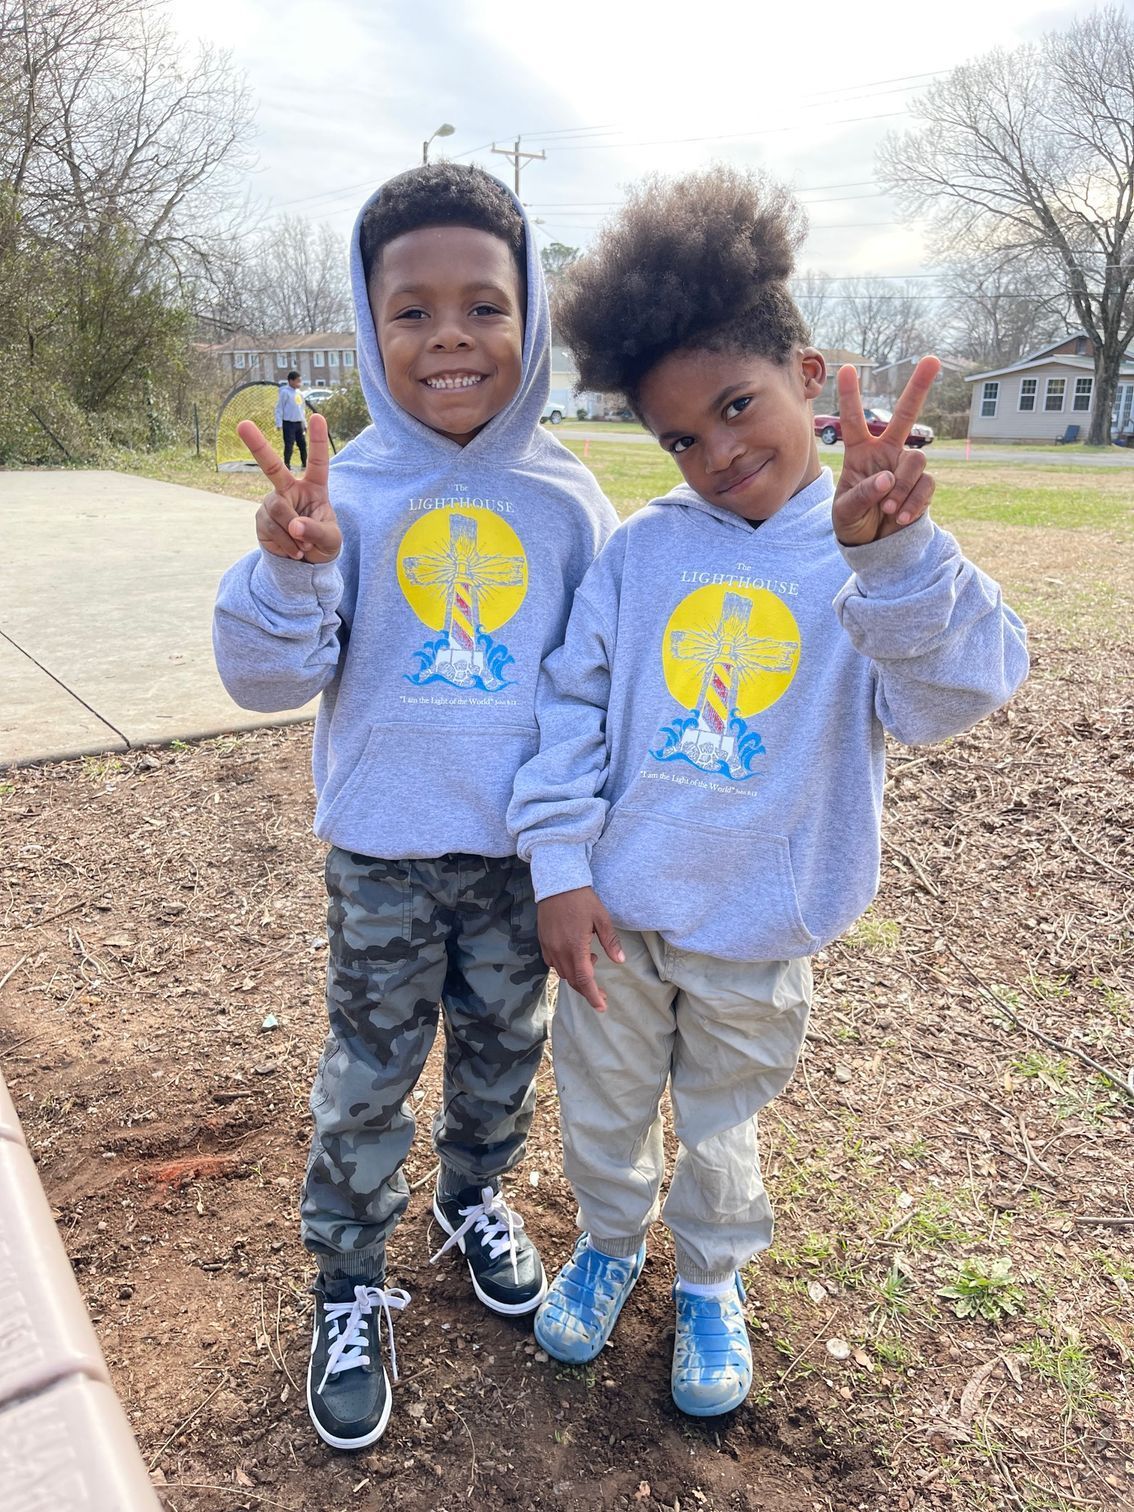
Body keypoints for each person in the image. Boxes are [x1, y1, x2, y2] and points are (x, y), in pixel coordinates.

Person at [507, 166, 1029, 1418]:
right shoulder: (640, 552)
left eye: (738, 405)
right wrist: (559, 866)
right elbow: (570, 710)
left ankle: (709, 1278)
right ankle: (611, 1243)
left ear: (807, 372)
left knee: (721, 1120)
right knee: (601, 1102)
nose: (719, 452)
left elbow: (957, 694)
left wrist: (897, 559)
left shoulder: (866, 543)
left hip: (761, 923)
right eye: (681, 437)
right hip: (619, 921)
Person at [213, 163, 617, 1451]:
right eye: (413, 310)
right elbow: (265, 680)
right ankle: (347, 1276)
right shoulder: (341, 498)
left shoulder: (569, 503)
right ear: (369, 322)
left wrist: (576, 853)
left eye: (484, 306)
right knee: (369, 1072)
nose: (451, 336)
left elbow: (597, 694)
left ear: (530, 318)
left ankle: (472, 1197)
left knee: (504, 1052)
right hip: (383, 855)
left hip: (517, 859)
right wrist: (288, 572)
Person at [275, 369, 308, 469]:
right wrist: (279, 423)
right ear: (291, 381)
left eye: (300, 381)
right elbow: (279, 408)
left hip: (299, 423)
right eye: (297, 381)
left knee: (302, 444)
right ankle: (287, 464)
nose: (299, 383)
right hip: (288, 423)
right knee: (289, 445)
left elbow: (302, 409)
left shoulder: (299, 393)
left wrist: (304, 424)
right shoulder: (285, 393)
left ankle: (305, 464)